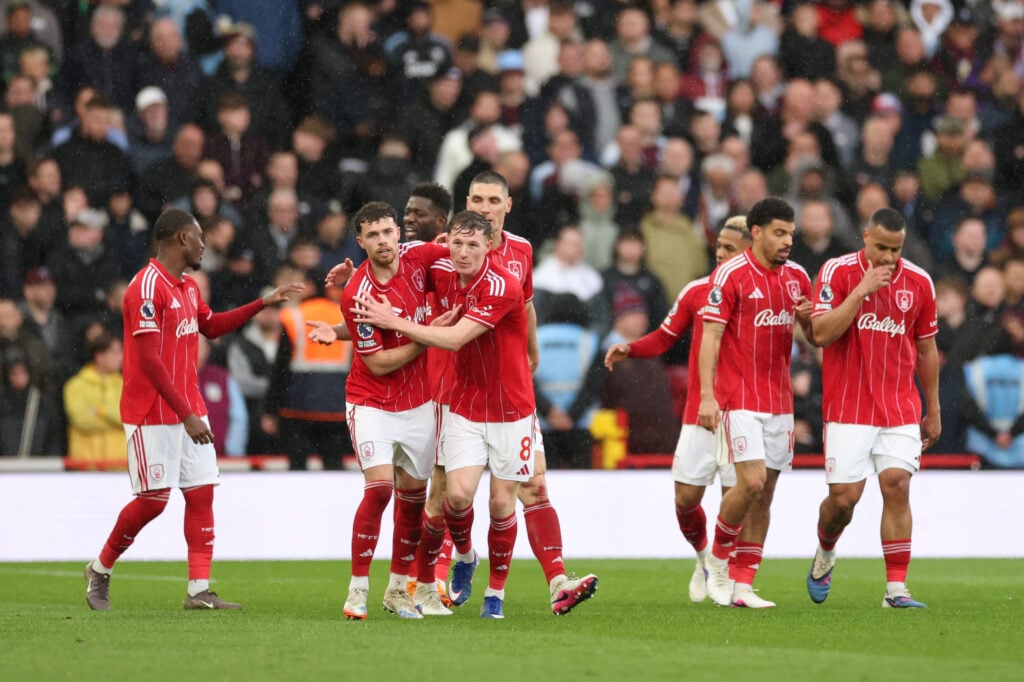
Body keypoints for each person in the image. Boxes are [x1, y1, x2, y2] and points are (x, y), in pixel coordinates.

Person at [83, 208, 302, 611]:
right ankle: (100, 568)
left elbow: (212, 326)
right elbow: (150, 360)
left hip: (188, 409)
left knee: (201, 494)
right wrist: (185, 413)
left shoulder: (186, 287)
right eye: (200, 237)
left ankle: (198, 590)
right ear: (181, 239)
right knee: (153, 500)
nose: (206, 244)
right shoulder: (146, 288)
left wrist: (262, 303)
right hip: (153, 411)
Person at [308, 201, 455, 620]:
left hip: (419, 403)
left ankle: (397, 591)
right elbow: (378, 363)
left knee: (413, 501)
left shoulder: (419, 255)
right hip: (371, 400)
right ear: (361, 242)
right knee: (379, 489)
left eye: (389, 232)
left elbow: (461, 264)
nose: (384, 241)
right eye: (373, 235)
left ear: (397, 233)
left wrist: (453, 243)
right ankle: (357, 591)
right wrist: (431, 335)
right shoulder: (357, 293)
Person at [463, 171, 598, 615]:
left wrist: (533, 348)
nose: (485, 208)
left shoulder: (521, 249)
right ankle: (436, 575)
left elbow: (524, 304)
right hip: (459, 391)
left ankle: (558, 581)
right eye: (477, 200)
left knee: (532, 487)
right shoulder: (449, 249)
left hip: (511, 390)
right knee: (450, 494)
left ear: (508, 205)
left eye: (493, 200)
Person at [604, 216, 751, 603]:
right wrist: (630, 348)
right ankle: (704, 556)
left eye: (730, 249)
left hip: (745, 410)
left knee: (737, 495)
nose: (720, 254)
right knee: (686, 498)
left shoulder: (762, 295)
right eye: (718, 246)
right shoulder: (697, 291)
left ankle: (727, 570)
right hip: (702, 411)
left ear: (750, 253)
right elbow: (666, 336)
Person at [806, 207, 940, 609]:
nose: (887, 257)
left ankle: (896, 589)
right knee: (844, 501)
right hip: (848, 406)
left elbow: (927, 348)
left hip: (899, 405)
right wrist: (861, 291)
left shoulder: (919, 282)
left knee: (897, 483)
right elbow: (821, 333)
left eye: (895, 249)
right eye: (881, 247)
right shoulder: (836, 272)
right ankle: (825, 551)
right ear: (865, 237)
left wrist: (932, 408)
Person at [697, 197, 813, 608]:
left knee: (765, 494)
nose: (787, 242)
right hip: (739, 397)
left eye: (791, 234)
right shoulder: (730, 275)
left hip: (779, 400)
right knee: (751, 481)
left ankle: (744, 585)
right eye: (780, 233)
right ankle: (718, 560)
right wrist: (708, 395)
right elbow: (709, 338)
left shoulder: (797, 277)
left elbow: (814, 338)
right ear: (758, 232)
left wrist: (808, 317)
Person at [63, 331, 124, 468]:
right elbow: (82, 420)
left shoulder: (126, 385)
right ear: (99, 356)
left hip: (121, 467)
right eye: (114, 352)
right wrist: (115, 422)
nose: (121, 357)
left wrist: (101, 411)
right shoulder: (75, 386)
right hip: (86, 468)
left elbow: (129, 419)